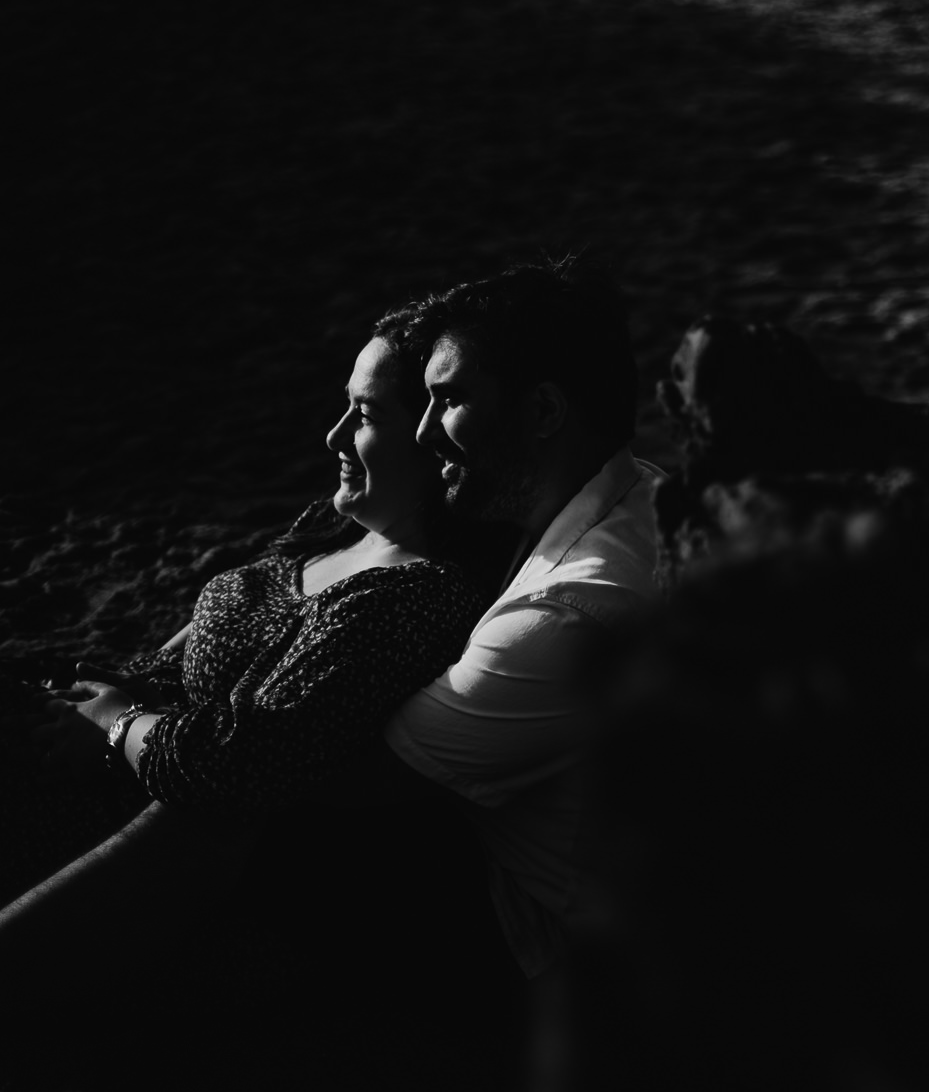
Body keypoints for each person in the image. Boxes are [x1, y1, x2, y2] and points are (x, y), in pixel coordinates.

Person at [3, 308, 500, 868]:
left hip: (140, 823)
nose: (334, 435)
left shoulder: (413, 597)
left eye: (365, 415)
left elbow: (242, 762)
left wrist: (113, 724)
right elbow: (207, 646)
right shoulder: (336, 522)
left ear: (433, 438)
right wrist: (111, 688)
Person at [373, 256, 664, 980]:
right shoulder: (647, 495)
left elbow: (347, 777)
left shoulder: (565, 617)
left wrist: (129, 724)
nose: (422, 433)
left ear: (542, 412)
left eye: (449, 400)